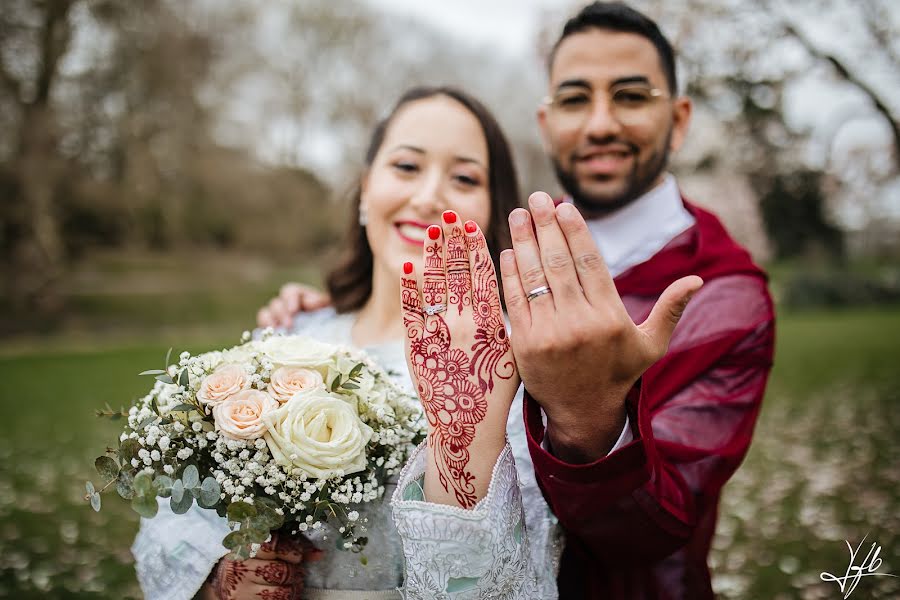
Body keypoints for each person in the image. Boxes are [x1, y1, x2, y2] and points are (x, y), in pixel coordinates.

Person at [263, 3, 776, 598]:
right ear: (546, 118)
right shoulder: (508, 254)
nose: (599, 124)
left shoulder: (726, 299)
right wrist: (344, 308)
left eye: (632, 97)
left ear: (679, 119)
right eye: (575, 99)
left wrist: (586, 414)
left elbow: (658, 523)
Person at [131, 86, 564, 600]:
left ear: (492, 210)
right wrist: (219, 577)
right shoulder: (291, 338)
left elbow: (527, 564)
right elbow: (175, 516)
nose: (427, 198)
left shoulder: (515, 365)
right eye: (406, 166)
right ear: (365, 189)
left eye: (464, 177)